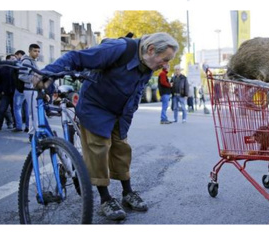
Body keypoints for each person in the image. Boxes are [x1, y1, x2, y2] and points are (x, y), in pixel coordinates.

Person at [40, 32, 179, 221]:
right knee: (99, 148)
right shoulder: (118, 49)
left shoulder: (149, 64)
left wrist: (127, 116)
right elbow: (75, 57)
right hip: (95, 106)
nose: (166, 66)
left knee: (122, 148)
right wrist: (47, 74)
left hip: (119, 111)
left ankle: (127, 193)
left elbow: (136, 92)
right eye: (165, 60)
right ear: (151, 49)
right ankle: (105, 199)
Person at [18, 44, 40, 136]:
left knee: (34, 112)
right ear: (29, 51)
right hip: (29, 89)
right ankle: (33, 134)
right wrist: (33, 79)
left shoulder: (32, 61)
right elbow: (22, 76)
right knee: (33, 113)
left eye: (38, 51)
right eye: (35, 51)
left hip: (33, 89)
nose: (37, 53)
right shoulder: (27, 61)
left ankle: (34, 133)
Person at [12, 50, 29, 132]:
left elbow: (17, 77)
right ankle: (28, 126)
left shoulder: (19, 63)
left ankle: (19, 126)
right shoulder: (29, 62)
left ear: (19, 55)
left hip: (19, 89)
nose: (15, 58)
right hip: (28, 89)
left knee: (17, 108)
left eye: (15, 56)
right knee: (27, 109)